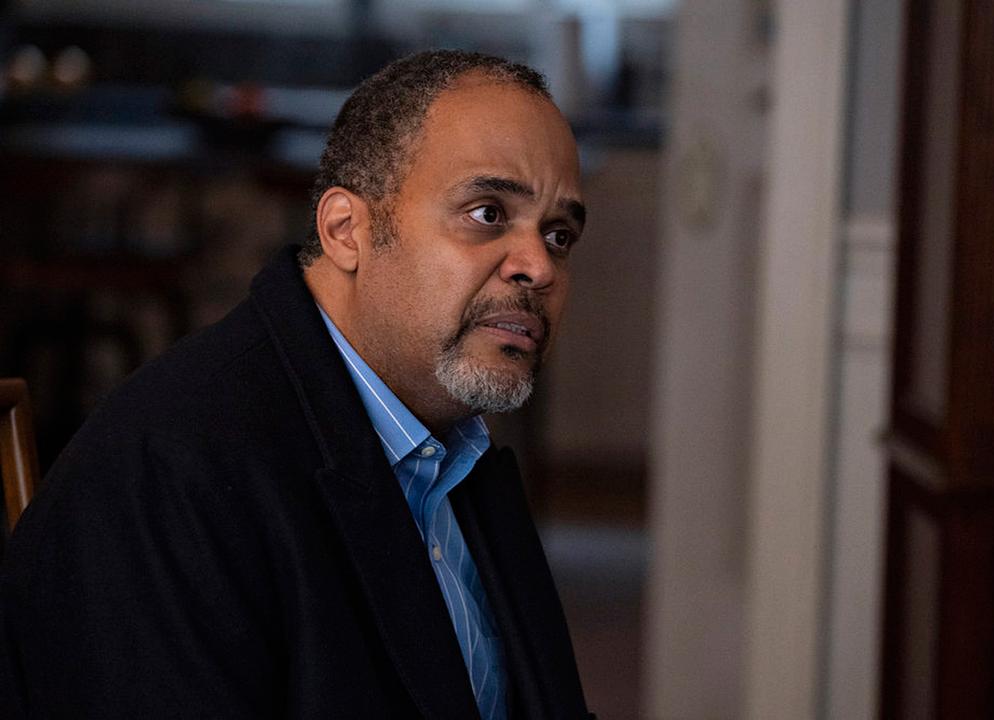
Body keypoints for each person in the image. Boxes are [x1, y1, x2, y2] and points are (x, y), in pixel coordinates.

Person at [0, 50, 594, 719]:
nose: (539, 266)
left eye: (559, 235)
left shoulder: (460, 456)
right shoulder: (174, 473)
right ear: (346, 231)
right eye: (487, 213)